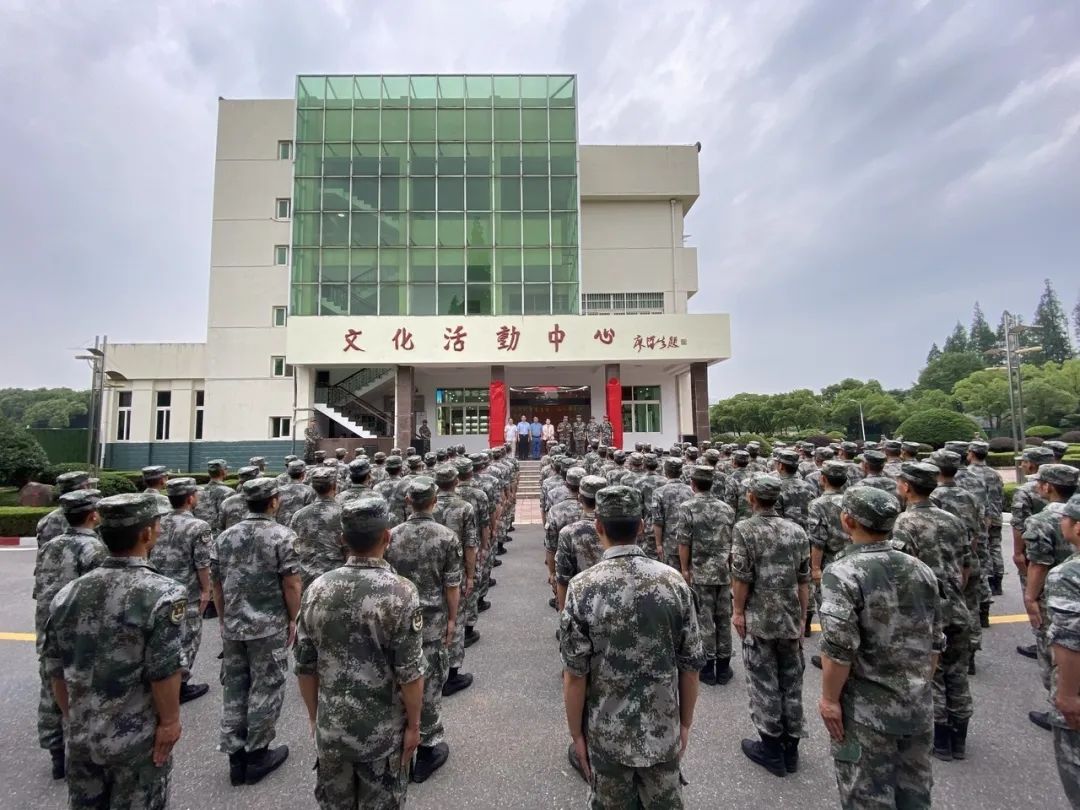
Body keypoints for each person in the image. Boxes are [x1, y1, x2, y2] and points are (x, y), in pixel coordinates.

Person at [560, 485, 704, 806]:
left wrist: (576, 735)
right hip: (661, 729)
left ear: (598, 526)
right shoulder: (674, 582)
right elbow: (691, 666)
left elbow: (574, 675)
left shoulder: (582, 587)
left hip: (607, 734)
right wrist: (684, 724)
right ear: (641, 526)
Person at [42, 493, 185, 809]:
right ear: (145, 534)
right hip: (134, 740)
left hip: (81, 734)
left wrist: (73, 719)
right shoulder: (162, 593)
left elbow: (55, 668)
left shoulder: (68, 593)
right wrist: (170, 722)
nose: (160, 531)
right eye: (157, 525)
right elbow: (163, 670)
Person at [294, 497, 424, 808]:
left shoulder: (317, 589)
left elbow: (304, 666)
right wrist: (415, 727)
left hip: (332, 731)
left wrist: (316, 719)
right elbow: (410, 673)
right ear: (387, 537)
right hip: (381, 736)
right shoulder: (401, 592)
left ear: (342, 541)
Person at [818, 487, 944, 809]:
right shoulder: (921, 569)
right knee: (914, 794)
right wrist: (918, 684)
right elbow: (935, 641)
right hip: (917, 703)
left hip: (867, 712)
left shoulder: (842, 572)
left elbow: (839, 648)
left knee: (866, 797)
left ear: (847, 520)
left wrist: (830, 699)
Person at [213, 478, 302, 785]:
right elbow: (291, 583)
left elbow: (217, 583)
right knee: (265, 686)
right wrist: (295, 619)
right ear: (274, 501)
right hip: (268, 624)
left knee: (235, 688)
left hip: (234, 623)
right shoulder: (282, 536)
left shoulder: (225, 536)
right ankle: (257, 754)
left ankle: (235, 756)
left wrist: (224, 618)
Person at [890, 462, 973, 761]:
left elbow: (900, 570)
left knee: (930, 673)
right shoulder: (953, 520)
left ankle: (940, 739)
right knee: (957, 673)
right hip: (957, 604)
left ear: (907, 487)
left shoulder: (904, 523)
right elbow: (966, 565)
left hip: (924, 609)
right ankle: (959, 738)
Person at [385, 477, 462, 784]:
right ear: (433, 502)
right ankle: (427, 750)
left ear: (408, 501)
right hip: (431, 622)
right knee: (428, 686)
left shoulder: (392, 536)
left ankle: (397, 744)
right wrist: (453, 619)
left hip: (397, 618)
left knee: (397, 679)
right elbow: (451, 584)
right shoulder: (446, 537)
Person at [732, 475, 811, 776]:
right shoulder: (796, 530)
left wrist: (738, 611)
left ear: (751, 498)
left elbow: (742, 576)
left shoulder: (746, 529)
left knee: (764, 681)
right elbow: (803, 580)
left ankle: (771, 748)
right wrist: (803, 616)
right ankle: (791, 749)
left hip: (761, 617)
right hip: (790, 614)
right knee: (791, 681)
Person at [32, 489, 107, 779]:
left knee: (52, 687)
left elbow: (39, 589)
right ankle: (85, 754)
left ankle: (56, 755)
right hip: (81, 634)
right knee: (83, 692)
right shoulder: (94, 549)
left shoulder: (50, 546)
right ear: (92, 515)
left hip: (49, 627)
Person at [1024, 464, 1080, 731]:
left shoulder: (1042, 519)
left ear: (1049, 487)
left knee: (1054, 655)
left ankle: (1057, 711)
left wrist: (1030, 596)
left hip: (1056, 599)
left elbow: (1038, 564)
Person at [152, 477, 212, 704]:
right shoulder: (198, 526)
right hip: (186, 592)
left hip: (158, 587)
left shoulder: (158, 522)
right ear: (190, 498)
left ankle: (163, 682)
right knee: (188, 638)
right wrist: (207, 590)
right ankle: (179, 686)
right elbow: (202, 563)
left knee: (163, 636)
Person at [676, 465, 737, 686]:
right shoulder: (727, 509)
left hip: (700, 572)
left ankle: (708, 669)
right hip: (723, 572)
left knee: (704, 619)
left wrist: (684, 569)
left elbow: (684, 541)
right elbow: (731, 544)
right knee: (723, 619)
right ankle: (723, 667)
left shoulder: (687, 508)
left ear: (693, 484)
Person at [431, 465, 478, 698]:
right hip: (454, 570)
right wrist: (470, 575)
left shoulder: (428, 504)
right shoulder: (464, 507)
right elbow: (470, 544)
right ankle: (451, 676)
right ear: (456, 481)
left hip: (426, 572)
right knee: (454, 619)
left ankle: (427, 672)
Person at [1046, 493, 1080, 807]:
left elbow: (1070, 638)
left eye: (1065, 519)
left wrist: (1067, 695)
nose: (1061, 522)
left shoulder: (1068, 575)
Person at [290, 467, 346, 590]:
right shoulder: (344, 514)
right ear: (335, 487)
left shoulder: (298, 515)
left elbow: (294, 548)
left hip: (306, 581)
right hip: (335, 580)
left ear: (313, 488)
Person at [653, 457, 693, 569]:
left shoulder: (659, 492)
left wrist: (658, 544)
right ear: (681, 472)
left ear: (665, 471)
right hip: (689, 543)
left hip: (669, 544)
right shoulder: (691, 491)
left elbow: (657, 521)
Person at [35, 471, 93, 547]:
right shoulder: (90, 517)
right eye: (88, 486)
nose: (90, 489)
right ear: (82, 490)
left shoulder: (46, 521)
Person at [194, 459, 232, 536]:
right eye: (226, 469)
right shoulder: (228, 492)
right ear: (222, 472)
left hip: (199, 532)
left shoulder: (197, 491)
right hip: (219, 535)